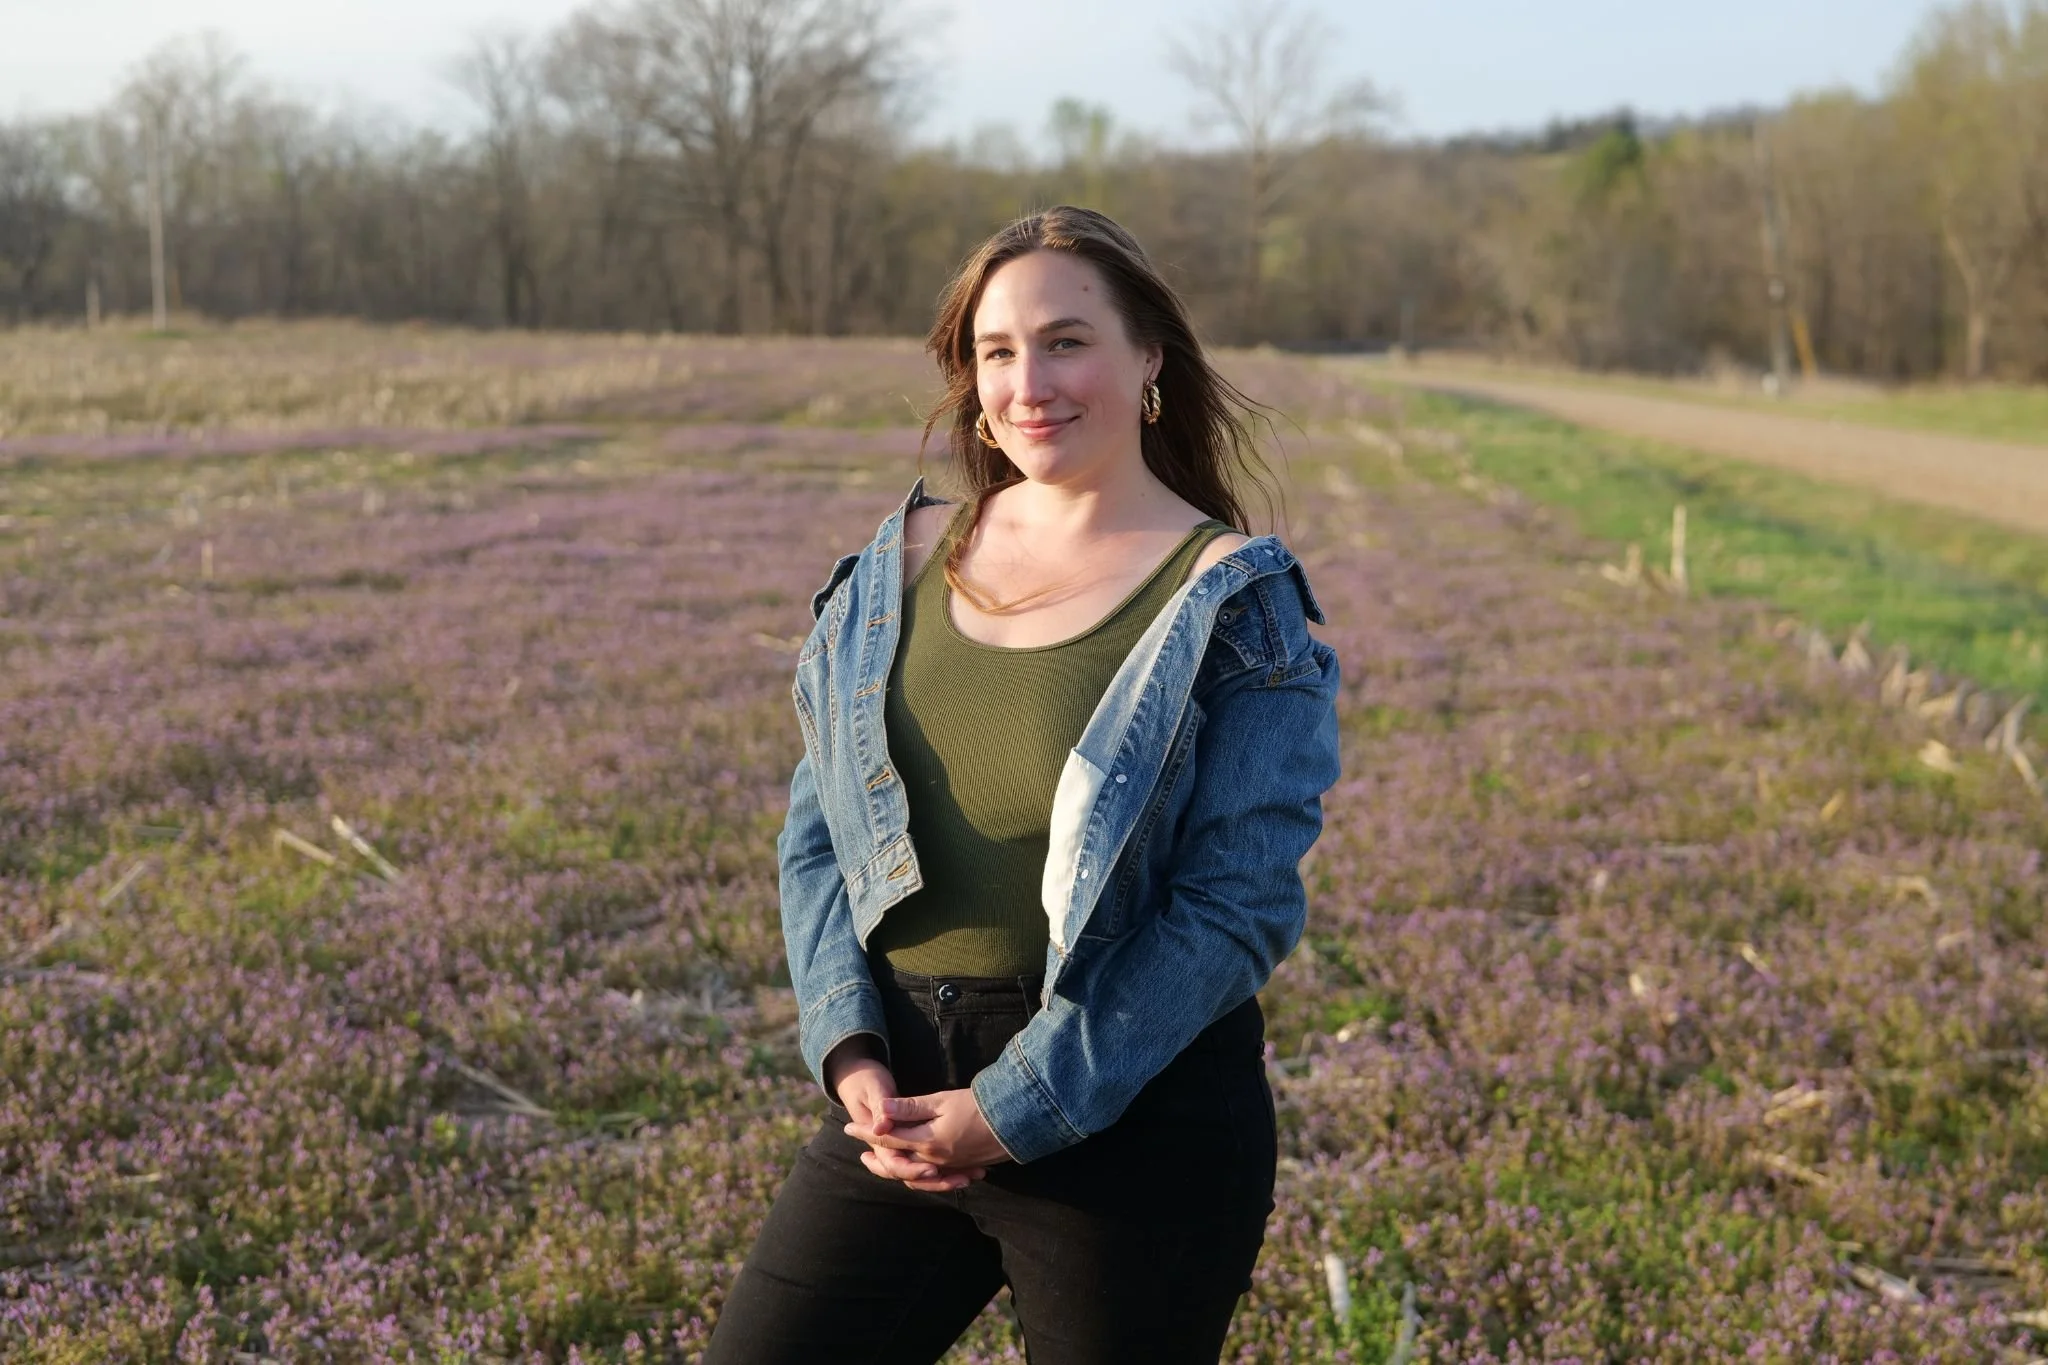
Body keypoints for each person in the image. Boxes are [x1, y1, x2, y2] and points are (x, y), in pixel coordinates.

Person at [704, 206, 1341, 1365]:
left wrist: (1014, 1109)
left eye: (1064, 341)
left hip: (1129, 1114)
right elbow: (819, 840)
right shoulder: (892, 567)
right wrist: (846, 1049)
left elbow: (1232, 910)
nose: (1027, 383)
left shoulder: (1233, 602)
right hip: (897, 1101)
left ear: (1148, 356)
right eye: (997, 351)